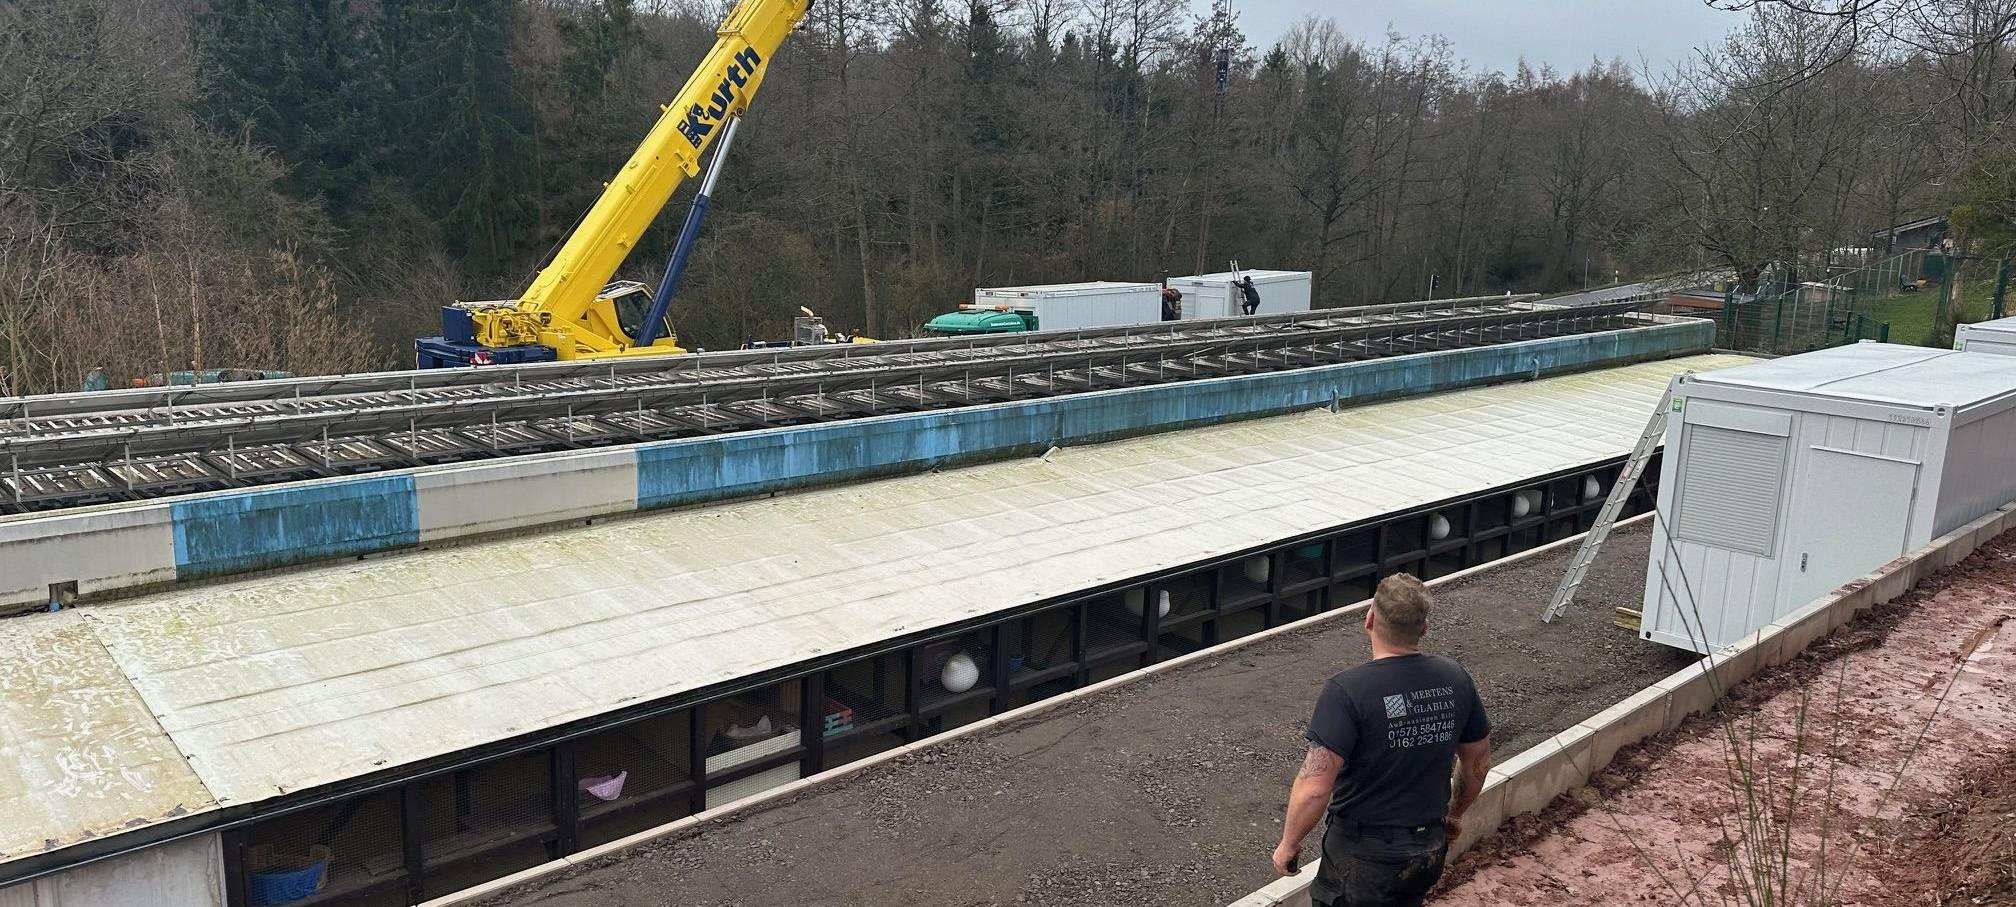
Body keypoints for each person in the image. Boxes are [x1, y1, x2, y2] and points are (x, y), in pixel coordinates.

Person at [1271, 574, 1492, 907]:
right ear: (1424, 629)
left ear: (1369, 619)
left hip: (1363, 859)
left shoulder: (1347, 691)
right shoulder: (1455, 678)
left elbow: (1315, 785)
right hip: (1427, 849)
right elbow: (1478, 762)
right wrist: (1455, 815)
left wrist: (1288, 844)